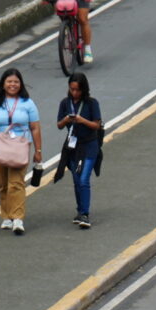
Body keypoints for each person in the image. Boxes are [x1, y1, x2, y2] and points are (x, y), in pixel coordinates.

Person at [0, 68, 42, 232]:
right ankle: (6, 216)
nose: (13, 85)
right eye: (9, 81)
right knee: (3, 182)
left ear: (21, 84)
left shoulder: (27, 103)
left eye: (16, 82)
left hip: (21, 144)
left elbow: (35, 127)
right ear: (3, 84)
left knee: (16, 182)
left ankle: (17, 218)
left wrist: (38, 151)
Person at [53, 74, 104, 229]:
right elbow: (59, 125)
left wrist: (83, 121)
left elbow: (97, 125)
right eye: (72, 89)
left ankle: (85, 214)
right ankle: (80, 210)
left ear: (84, 89)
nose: (74, 93)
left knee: (83, 179)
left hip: (89, 145)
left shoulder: (91, 103)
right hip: (73, 147)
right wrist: (67, 120)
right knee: (76, 179)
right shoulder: (65, 103)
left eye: (78, 90)